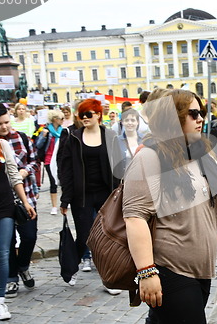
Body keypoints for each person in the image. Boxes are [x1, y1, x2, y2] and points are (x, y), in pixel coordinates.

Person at [123, 89, 217, 323]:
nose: (201, 118)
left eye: (202, 112)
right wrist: (146, 271)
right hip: (169, 269)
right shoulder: (149, 157)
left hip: (201, 269)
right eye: (193, 113)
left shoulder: (204, 154)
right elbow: (135, 217)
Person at [0, 106, 35, 320]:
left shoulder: (1, 145)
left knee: (2, 255)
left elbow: (13, 174)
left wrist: (25, 202)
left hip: (4, 207)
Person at [59, 99, 123, 292]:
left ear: (98, 115)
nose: (85, 118)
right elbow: (67, 170)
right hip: (82, 196)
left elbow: (119, 166)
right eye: (81, 114)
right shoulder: (74, 137)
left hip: (106, 193)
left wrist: (120, 191)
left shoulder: (110, 135)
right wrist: (65, 198)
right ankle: (72, 267)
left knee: (107, 236)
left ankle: (109, 277)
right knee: (85, 236)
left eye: (89, 114)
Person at [0, 103, 40, 299]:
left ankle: (23, 266)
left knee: (29, 236)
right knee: (7, 242)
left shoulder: (22, 137)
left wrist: (25, 170)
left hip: (25, 195)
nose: (4, 127)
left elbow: (35, 160)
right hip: (1, 200)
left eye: (6, 122)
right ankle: (11, 278)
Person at [36, 110, 64, 215]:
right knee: (53, 182)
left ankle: (63, 201)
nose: (63, 121)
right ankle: (54, 206)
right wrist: (43, 136)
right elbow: (38, 145)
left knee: (62, 180)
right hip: (49, 159)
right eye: (61, 119)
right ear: (55, 119)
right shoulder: (46, 130)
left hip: (60, 159)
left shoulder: (63, 131)